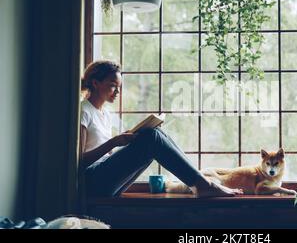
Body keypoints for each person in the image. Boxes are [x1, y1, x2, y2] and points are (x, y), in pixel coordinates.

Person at [80, 60, 242, 198]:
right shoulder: (83, 111)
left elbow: (108, 157)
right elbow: (79, 162)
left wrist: (129, 140)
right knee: (151, 137)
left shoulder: (105, 114)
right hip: (92, 182)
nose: (118, 92)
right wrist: (114, 142)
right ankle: (202, 184)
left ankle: (200, 183)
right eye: (113, 86)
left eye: (119, 86)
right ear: (95, 83)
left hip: (106, 180)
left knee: (154, 133)